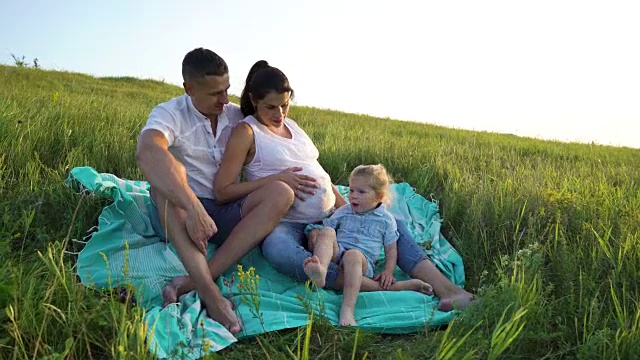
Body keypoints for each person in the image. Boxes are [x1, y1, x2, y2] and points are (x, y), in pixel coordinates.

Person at [220, 60, 474, 314]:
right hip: (286, 221)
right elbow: (224, 189)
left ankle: (449, 291)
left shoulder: (293, 127)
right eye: (271, 107)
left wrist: (348, 209)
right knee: (277, 251)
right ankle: (379, 286)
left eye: (285, 105)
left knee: (392, 223)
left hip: (331, 216)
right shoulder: (247, 131)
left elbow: (320, 176)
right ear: (253, 100)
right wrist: (278, 180)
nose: (280, 114)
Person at [136, 48, 312, 335]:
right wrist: (193, 209)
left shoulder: (235, 116)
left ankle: (197, 278)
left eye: (227, 89)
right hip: (182, 214)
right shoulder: (171, 113)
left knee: (281, 192)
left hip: (225, 212)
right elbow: (147, 151)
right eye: (215, 93)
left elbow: (281, 136)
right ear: (189, 89)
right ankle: (210, 293)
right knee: (161, 187)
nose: (224, 100)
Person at [303, 164, 433, 326]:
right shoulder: (344, 211)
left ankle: (347, 310)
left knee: (354, 255)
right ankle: (320, 271)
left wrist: (388, 271)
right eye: (351, 190)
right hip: (339, 253)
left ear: (379, 196)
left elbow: (391, 249)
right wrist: (316, 234)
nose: (353, 196)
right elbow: (327, 229)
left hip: (362, 263)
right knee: (327, 231)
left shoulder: (385, 220)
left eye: (361, 192)